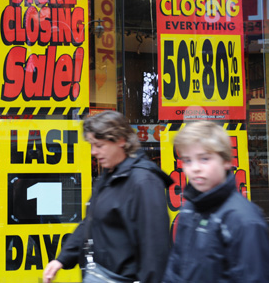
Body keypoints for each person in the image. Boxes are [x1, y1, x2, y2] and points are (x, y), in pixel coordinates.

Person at [43, 110, 173, 283]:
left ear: (120, 140)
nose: (93, 152)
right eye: (91, 145)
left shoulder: (144, 182)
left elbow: (155, 251)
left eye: (99, 145)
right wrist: (62, 258)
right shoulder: (110, 174)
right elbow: (91, 221)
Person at [163, 121, 269, 282]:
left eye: (204, 158)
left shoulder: (245, 220)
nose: (195, 168)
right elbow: (175, 268)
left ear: (226, 161)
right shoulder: (190, 209)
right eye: (187, 160)